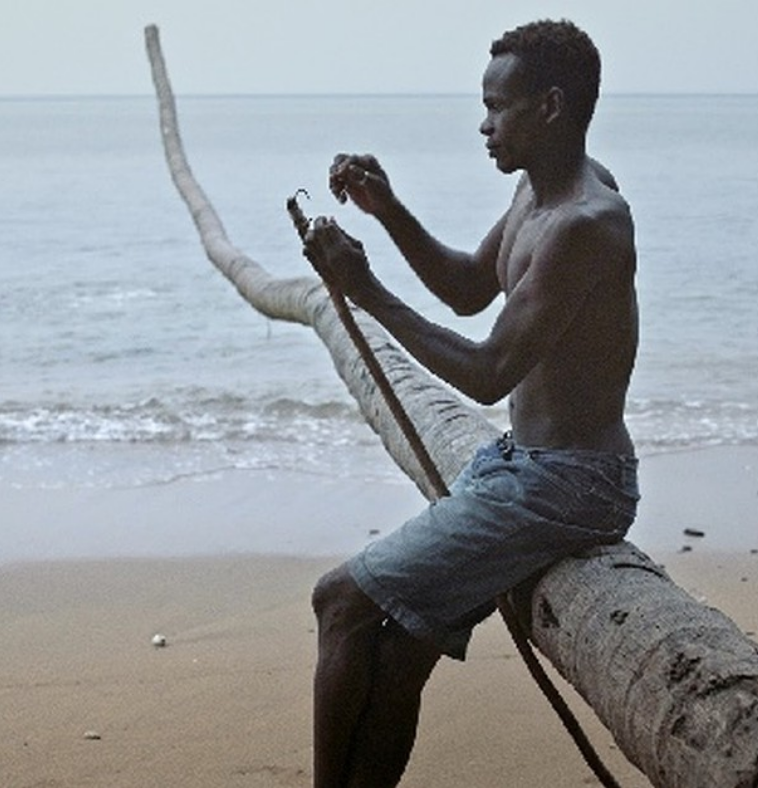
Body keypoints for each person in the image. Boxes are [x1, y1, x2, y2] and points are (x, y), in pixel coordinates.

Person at [301, 19, 639, 787]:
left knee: (340, 601)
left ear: (550, 107)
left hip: (571, 484)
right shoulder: (536, 195)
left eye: (498, 107)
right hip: (526, 466)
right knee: (393, 653)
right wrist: (387, 212)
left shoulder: (587, 223)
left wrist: (367, 291)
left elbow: (488, 372)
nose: (484, 126)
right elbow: (464, 288)